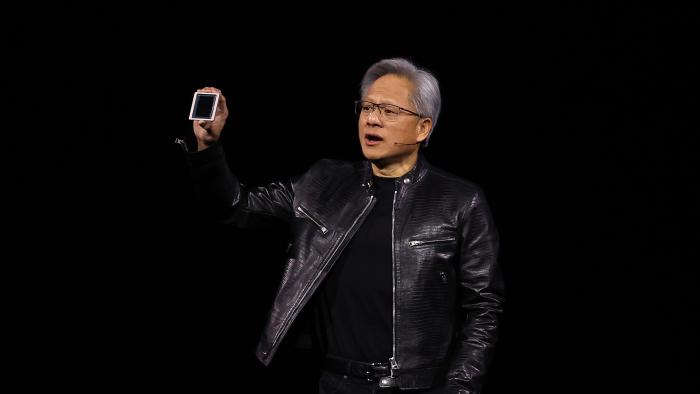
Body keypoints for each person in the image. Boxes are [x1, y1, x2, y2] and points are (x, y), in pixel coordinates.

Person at [184, 58, 504, 393]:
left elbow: (484, 306)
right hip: (334, 383)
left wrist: (460, 387)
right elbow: (235, 206)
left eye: (388, 111)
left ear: (423, 128)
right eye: (366, 107)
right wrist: (208, 146)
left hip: (415, 386)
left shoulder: (459, 200)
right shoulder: (324, 182)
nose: (372, 119)